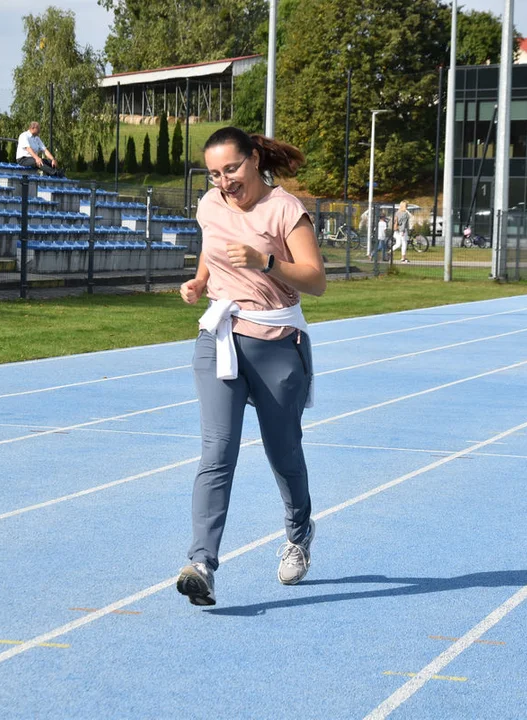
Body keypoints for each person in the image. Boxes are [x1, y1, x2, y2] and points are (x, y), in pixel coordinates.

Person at [176, 126, 326, 607]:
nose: (225, 181)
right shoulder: (208, 205)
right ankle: (202, 563)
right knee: (217, 452)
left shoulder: (285, 210)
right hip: (219, 337)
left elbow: (317, 281)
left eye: (232, 169)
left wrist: (266, 263)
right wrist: (200, 281)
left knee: (283, 452)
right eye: (215, 173)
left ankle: (299, 532)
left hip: (277, 342)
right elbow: (212, 244)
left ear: (254, 159)